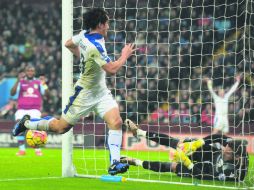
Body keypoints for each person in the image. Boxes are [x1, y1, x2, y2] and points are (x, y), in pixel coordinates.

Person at [12, 8, 137, 175]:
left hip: (101, 92)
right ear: (100, 25)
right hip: (84, 94)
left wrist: (83, 57)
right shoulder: (95, 46)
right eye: (107, 23)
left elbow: (68, 43)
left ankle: (114, 163)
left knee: (116, 122)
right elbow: (112, 69)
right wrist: (124, 55)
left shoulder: (84, 34)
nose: (108, 26)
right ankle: (26, 123)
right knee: (60, 128)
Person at [122, 119, 249, 181]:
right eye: (225, 147)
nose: (224, 149)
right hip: (208, 153)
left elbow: (202, 176)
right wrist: (198, 143)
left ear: (236, 157)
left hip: (204, 170)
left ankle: (135, 162)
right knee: (181, 143)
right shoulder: (233, 145)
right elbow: (217, 137)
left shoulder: (231, 173)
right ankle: (139, 132)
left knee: (173, 166)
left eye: (227, 152)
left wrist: (187, 163)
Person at [10, 65, 49, 156]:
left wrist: (44, 84)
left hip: (34, 109)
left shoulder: (39, 82)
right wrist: (17, 80)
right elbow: (12, 93)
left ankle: (37, 150)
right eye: (28, 70)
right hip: (22, 109)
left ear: (34, 72)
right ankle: (22, 150)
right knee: (19, 127)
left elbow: (48, 95)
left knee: (36, 128)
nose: (30, 72)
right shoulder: (21, 82)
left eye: (32, 71)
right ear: (25, 72)